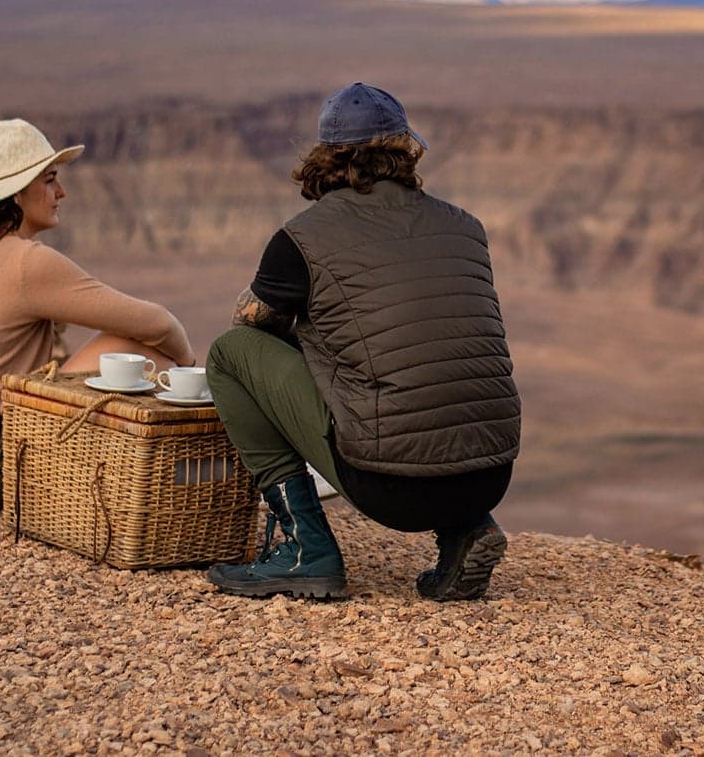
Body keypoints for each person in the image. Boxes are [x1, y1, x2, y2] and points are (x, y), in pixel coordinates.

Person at [206, 83, 520, 602]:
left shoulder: (301, 239)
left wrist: (308, 330)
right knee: (432, 361)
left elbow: (250, 319)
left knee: (230, 354)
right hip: (490, 474)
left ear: (324, 158)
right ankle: (468, 528)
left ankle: (304, 550)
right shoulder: (466, 226)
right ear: (405, 151)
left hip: (393, 487)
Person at [0, 119, 196, 510]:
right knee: (134, 349)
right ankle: (178, 476)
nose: (62, 192)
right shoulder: (26, 262)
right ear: (16, 194)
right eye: (49, 180)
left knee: (113, 358)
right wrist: (188, 374)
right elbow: (158, 323)